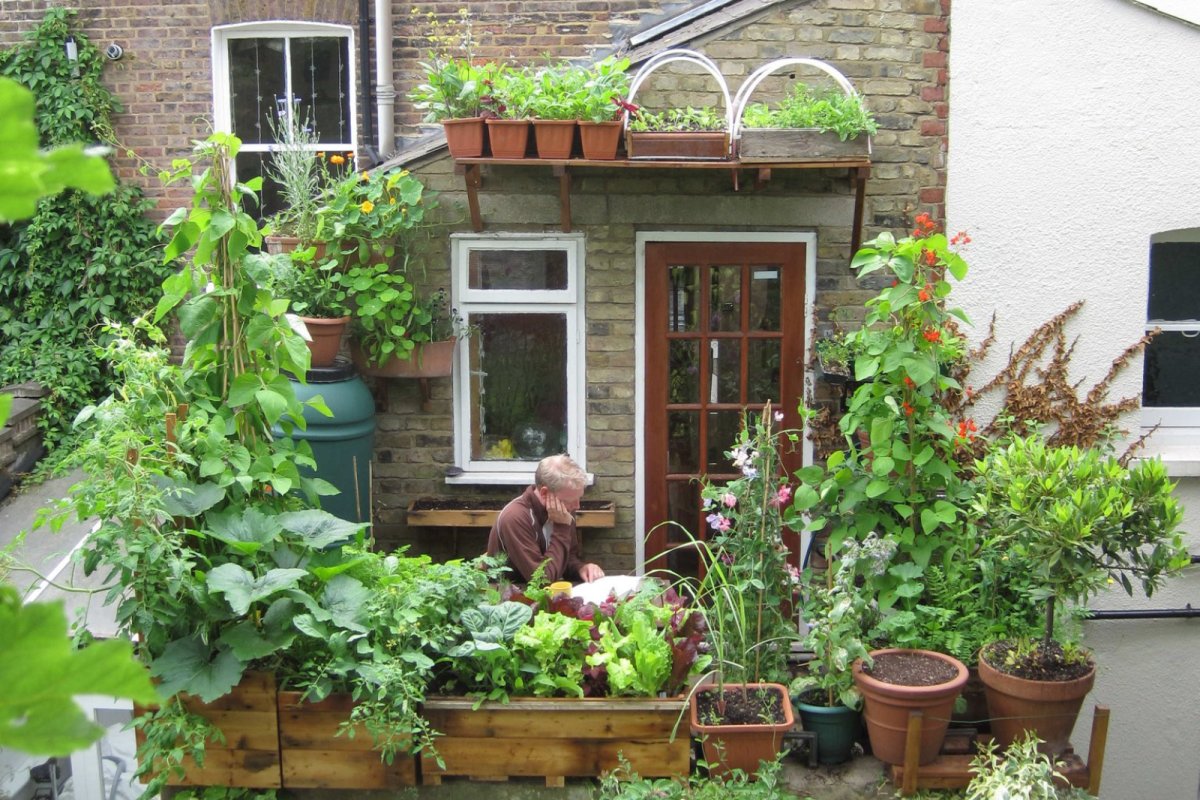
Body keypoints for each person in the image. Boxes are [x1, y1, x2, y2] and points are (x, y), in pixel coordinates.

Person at [485, 453, 604, 584]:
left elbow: (567, 559)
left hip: (544, 597)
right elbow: (541, 580)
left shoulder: (563, 509)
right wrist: (562, 528)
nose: (577, 506)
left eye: (579, 498)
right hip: (510, 598)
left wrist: (581, 568)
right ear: (544, 493)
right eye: (569, 500)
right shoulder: (515, 518)